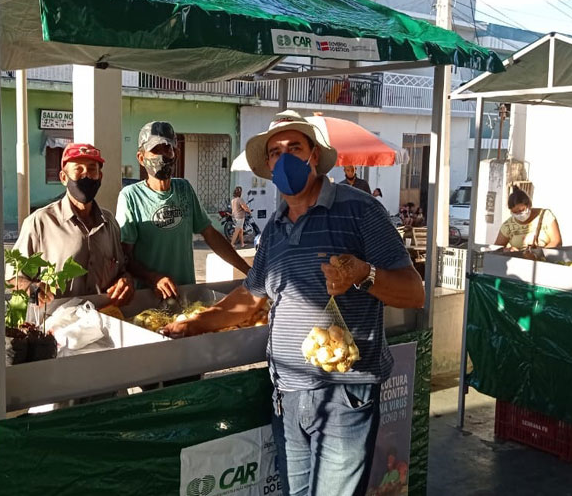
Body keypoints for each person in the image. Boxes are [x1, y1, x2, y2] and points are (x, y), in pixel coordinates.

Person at [161, 110, 424, 496]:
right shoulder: (275, 229)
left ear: (314, 156)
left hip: (344, 395)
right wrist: (194, 324)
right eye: (275, 152)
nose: (284, 158)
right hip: (287, 394)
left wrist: (363, 275)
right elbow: (251, 299)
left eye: (294, 148)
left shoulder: (360, 210)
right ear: (267, 166)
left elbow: (413, 292)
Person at [116, 121, 250, 299]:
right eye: (156, 150)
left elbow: (210, 234)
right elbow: (125, 256)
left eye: (167, 149)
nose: (163, 156)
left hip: (186, 295)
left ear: (176, 154)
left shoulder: (184, 189)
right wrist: (153, 278)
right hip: (148, 299)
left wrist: (248, 271)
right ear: (141, 158)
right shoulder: (131, 196)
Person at [10, 143, 133, 305]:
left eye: (91, 169)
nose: (86, 175)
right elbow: (13, 278)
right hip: (56, 324)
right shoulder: (39, 222)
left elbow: (122, 270)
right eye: (78, 169)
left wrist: (126, 281)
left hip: (102, 321)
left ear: (100, 177)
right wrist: (32, 289)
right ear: (63, 178)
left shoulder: (109, 222)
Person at [495, 185, 561, 250]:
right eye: (515, 212)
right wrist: (508, 250)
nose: (519, 214)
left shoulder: (545, 216)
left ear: (529, 205)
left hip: (543, 258)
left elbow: (556, 241)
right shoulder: (508, 226)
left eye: (521, 210)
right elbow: (496, 249)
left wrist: (540, 255)